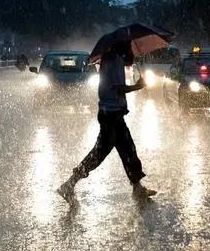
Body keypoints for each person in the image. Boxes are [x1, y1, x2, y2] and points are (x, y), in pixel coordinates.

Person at [57, 41, 157, 205]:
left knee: (128, 150)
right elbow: (118, 88)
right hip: (111, 116)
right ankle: (69, 184)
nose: (129, 48)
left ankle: (137, 188)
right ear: (119, 46)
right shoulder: (112, 61)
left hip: (113, 113)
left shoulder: (113, 59)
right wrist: (138, 86)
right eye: (128, 46)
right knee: (99, 154)